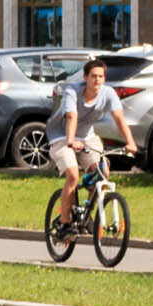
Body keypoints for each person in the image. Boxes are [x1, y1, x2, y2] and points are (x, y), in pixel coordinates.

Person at [51, 57, 128, 213]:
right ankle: (65, 222)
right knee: (73, 175)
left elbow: (119, 118)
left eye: (100, 76)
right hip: (62, 136)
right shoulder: (72, 91)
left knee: (102, 173)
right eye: (93, 76)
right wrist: (71, 141)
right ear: (85, 77)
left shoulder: (108, 93)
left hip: (87, 137)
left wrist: (130, 142)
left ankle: (86, 213)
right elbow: (72, 116)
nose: (97, 80)